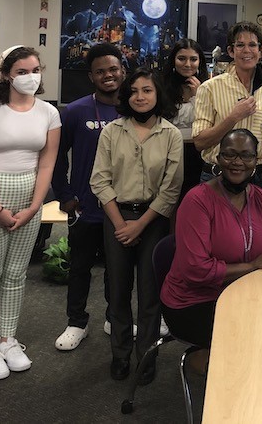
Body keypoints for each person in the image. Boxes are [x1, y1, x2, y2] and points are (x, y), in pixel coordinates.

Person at [0, 46, 61, 380]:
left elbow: (47, 163)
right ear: (5, 75)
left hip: (28, 200)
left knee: (16, 275)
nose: (30, 77)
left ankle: (8, 340)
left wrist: (35, 206)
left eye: (35, 70)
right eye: (21, 72)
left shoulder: (49, 112)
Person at [161, 129, 262, 373]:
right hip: (195, 301)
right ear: (218, 159)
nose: (237, 162)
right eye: (229, 155)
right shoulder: (197, 201)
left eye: (246, 156)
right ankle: (225, 376)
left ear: (256, 161)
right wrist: (252, 266)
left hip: (245, 294)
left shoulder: (260, 197)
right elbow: (195, 270)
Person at [90, 68, 182, 383]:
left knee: (149, 292)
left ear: (158, 95)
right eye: (134, 91)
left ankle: (146, 357)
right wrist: (121, 225)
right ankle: (120, 354)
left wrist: (139, 225)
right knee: (117, 290)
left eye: (147, 90)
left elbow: (171, 189)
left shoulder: (170, 134)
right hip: (117, 217)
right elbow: (99, 180)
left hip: (153, 219)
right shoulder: (112, 131)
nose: (140, 97)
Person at [52, 43, 125, 352]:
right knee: (80, 267)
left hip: (122, 208)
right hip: (85, 206)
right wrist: (65, 195)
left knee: (117, 269)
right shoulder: (76, 111)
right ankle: (76, 322)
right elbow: (57, 156)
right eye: (100, 71)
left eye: (113, 69)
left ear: (122, 71)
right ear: (91, 77)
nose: (108, 75)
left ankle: (114, 317)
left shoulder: (134, 109)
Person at [193, 21, 262, 205]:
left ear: (261, 51)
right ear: (231, 51)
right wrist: (233, 118)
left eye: (252, 45)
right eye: (240, 45)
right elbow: (200, 142)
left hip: (259, 177)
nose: (247, 50)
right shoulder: (210, 88)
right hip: (218, 176)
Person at [163, 39, 209, 199]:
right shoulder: (162, 86)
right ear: (173, 60)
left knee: (194, 199)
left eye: (193, 59)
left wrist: (198, 95)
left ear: (200, 62)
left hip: (198, 153)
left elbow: (209, 120)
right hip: (168, 152)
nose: (188, 64)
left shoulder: (208, 87)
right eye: (182, 59)